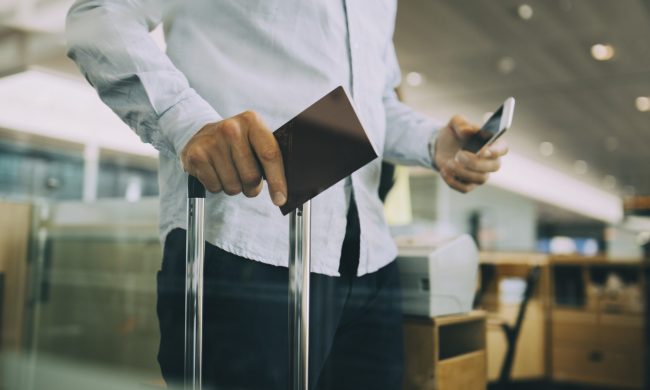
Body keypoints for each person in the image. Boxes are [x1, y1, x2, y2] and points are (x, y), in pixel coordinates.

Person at [66, 1, 507, 389]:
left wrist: (434, 144)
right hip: (246, 241)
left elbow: (371, 105)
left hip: (369, 258)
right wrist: (187, 121)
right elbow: (100, 15)